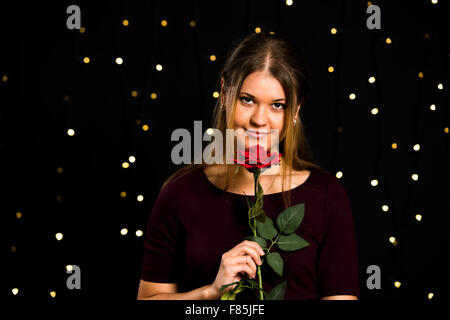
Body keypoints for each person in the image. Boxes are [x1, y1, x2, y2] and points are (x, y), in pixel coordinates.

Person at [137, 32, 359, 300]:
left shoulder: (326, 196)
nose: (259, 120)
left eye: (277, 105)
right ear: (224, 93)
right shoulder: (179, 194)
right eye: (247, 100)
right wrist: (209, 293)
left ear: (296, 110)